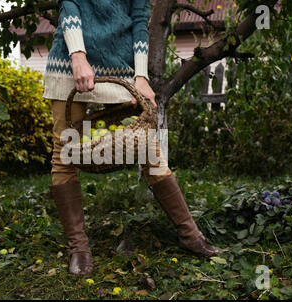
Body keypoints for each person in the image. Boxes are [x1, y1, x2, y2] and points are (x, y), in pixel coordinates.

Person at [43, 0, 218, 276]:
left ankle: (190, 235)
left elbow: (139, 20)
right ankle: (78, 247)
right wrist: (78, 56)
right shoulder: (73, 56)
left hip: (120, 68)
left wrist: (140, 75)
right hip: (70, 62)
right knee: (64, 152)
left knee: (148, 149)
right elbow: (70, 4)